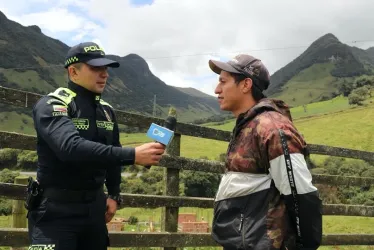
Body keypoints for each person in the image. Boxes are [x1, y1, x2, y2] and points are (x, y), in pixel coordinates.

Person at [26, 42, 165, 250]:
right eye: (95, 68)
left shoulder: (107, 111)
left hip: (94, 211)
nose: (104, 74)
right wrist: (133, 154)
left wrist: (114, 194)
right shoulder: (53, 104)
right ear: (73, 71)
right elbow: (69, 148)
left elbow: (112, 154)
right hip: (55, 212)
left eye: (105, 68)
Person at [209, 54, 322, 250]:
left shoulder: (272, 129)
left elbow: (301, 195)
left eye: (223, 82)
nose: (217, 89)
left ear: (245, 85)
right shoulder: (248, 126)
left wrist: (306, 245)